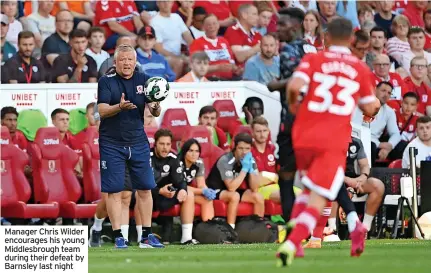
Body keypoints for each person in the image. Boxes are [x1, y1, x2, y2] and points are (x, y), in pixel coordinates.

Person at [276, 17, 380, 266]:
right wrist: (370, 112)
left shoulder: (313, 59)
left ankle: (297, 239)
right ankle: (294, 243)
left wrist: (293, 105)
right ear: (352, 40)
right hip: (334, 137)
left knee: (309, 187)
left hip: (304, 133)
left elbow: (295, 86)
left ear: (326, 38)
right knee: (321, 193)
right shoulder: (359, 68)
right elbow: (372, 105)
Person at [97, 43, 163, 249]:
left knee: (145, 188)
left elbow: (155, 111)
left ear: (136, 62)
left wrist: (156, 106)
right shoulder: (106, 81)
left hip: (138, 141)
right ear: (115, 62)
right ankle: (119, 236)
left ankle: (146, 236)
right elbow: (102, 110)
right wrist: (120, 106)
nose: (126, 63)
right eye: (122, 60)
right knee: (115, 191)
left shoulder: (145, 80)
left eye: (130, 60)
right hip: (111, 142)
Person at [267, 7, 316, 224]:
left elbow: (298, 81)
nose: (278, 29)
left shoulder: (288, 50)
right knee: (319, 175)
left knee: (286, 177)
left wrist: (273, 84)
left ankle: (291, 226)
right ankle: (349, 220)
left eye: (282, 24)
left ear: (296, 25)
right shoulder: (312, 48)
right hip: (315, 118)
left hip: (295, 119)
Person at [133, 128, 198, 245]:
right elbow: (139, 184)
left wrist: (183, 189)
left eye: (168, 144)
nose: (165, 147)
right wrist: (159, 191)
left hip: (163, 197)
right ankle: (142, 237)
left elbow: (180, 180)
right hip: (147, 194)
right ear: (155, 144)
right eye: (162, 144)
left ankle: (186, 238)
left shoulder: (173, 158)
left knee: (189, 194)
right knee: (140, 194)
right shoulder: (146, 157)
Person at [207, 133, 265, 228]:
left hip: (234, 188)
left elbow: (255, 188)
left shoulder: (250, 160)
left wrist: (251, 170)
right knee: (234, 196)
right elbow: (231, 187)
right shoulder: (225, 160)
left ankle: (258, 228)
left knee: (258, 197)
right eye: (241, 148)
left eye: (247, 149)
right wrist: (244, 169)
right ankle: (231, 229)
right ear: (234, 147)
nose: (244, 152)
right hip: (215, 190)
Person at [352, 82, 403, 165]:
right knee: (371, 146)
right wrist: (378, 144)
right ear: (375, 90)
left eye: (389, 93)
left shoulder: (389, 111)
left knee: (401, 145)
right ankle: (367, 175)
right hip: (359, 140)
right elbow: (356, 130)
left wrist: (389, 146)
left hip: (377, 144)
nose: (386, 94)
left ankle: (396, 176)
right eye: (383, 90)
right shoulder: (362, 105)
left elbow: (395, 133)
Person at [179, 138, 216, 222]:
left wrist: (207, 190)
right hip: (173, 192)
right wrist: (202, 191)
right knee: (190, 195)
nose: (194, 154)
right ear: (185, 152)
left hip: (187, 191)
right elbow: (180, 186)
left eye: (197, 151)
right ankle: (187, 233)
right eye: (191, 151)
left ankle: (209, 228)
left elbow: (201, 184)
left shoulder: (199, 162)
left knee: (207, 200)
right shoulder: (177, 162)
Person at [250, 116, 281, 203]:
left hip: (277, 186)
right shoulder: (249, 152)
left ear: (268, 132)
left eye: (264, 131)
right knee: (285, 195)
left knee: (302, 195)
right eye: (258, 131)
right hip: (260, 190)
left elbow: (282, 175)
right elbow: (255, 182)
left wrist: (265, 176)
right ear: (252, 133)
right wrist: (273, 177)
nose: (262, 134)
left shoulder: (274, 149)